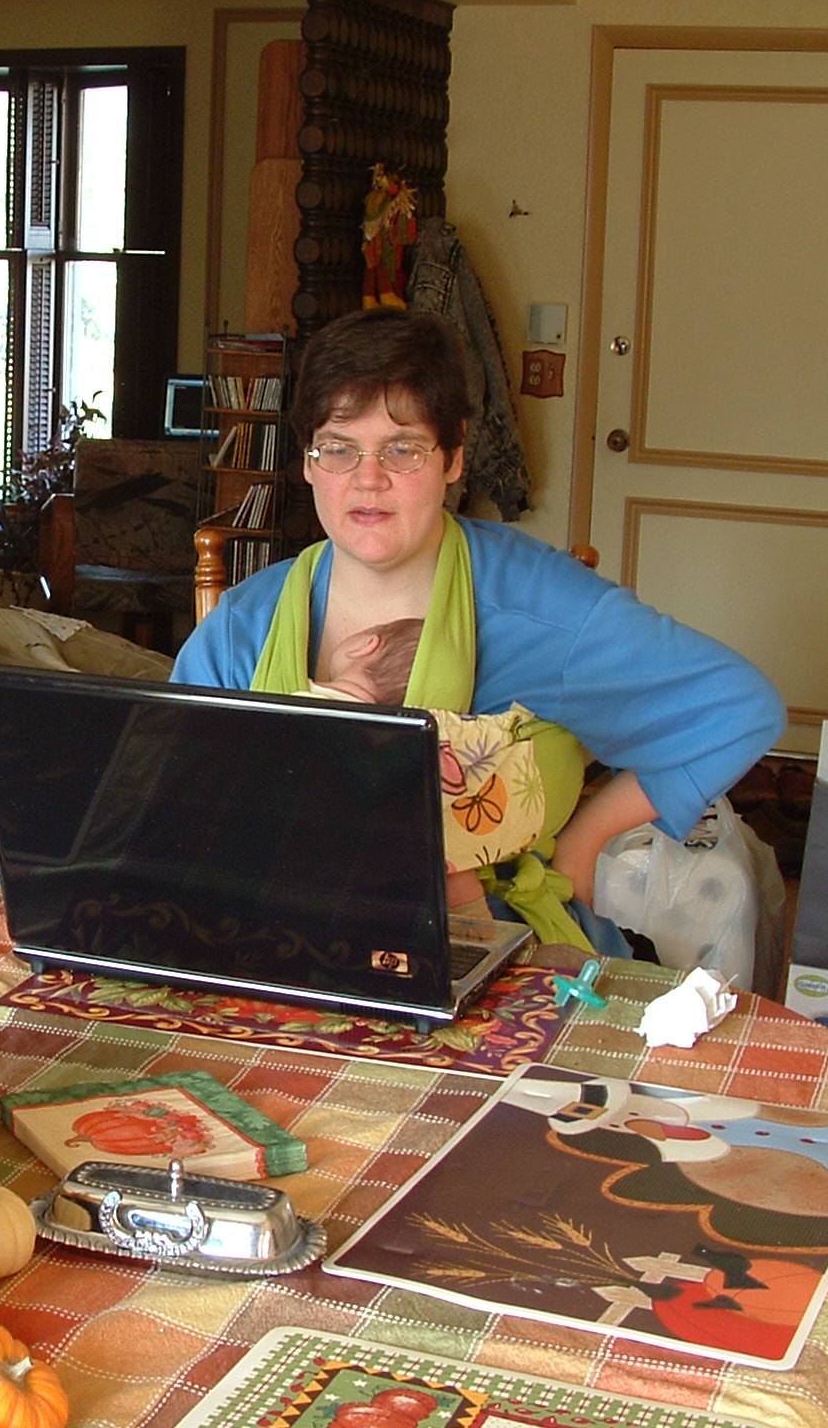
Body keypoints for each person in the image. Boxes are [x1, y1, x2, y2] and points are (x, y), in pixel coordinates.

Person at [172, 308, 786, 953]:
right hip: (272, 939)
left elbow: (737, 709)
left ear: (455, 456)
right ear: (307, 461)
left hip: (493, 956)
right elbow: (176, 813)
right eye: (339, 448)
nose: (367, 479)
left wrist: (585, 840)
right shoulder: (241, 629)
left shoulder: (538, 607)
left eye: (403, 449)